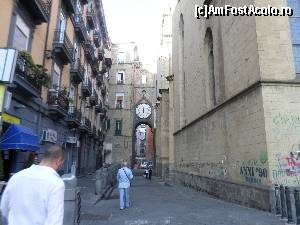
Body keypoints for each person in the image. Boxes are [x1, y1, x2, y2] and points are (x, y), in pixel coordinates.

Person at [0, 146, 65, 225]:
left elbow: (3, 209)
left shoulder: (16, 177)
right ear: (58, 161)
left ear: (43, 158)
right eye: (61, 163)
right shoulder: (56, 184)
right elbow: (55, 221)